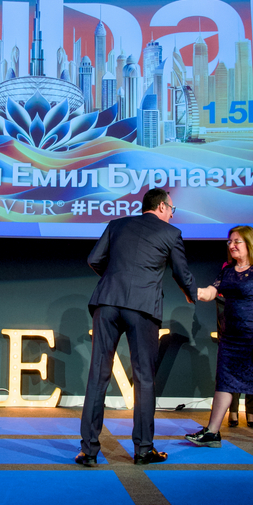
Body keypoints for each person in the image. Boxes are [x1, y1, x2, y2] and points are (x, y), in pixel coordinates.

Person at [77, 188, 199, 466]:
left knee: (98, 375)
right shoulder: (171, 234)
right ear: (161, 207)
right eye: (172, 209)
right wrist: (194, 293)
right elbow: (181, 273)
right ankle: (143, 450)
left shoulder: (116, 224)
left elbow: (94, 260)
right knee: (144, 379)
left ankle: (88, 451)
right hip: (142, 308)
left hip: (107, 302)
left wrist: (116, 279)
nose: (172, 214)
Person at [186, 226, 253, 449]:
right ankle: (212, 432)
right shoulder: (228, 271)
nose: (231, 245)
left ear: (251, 244)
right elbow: (211, 292)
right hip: (230, 339)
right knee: (225, 382)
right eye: (230, 242)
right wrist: (193, 290)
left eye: (237, 241)